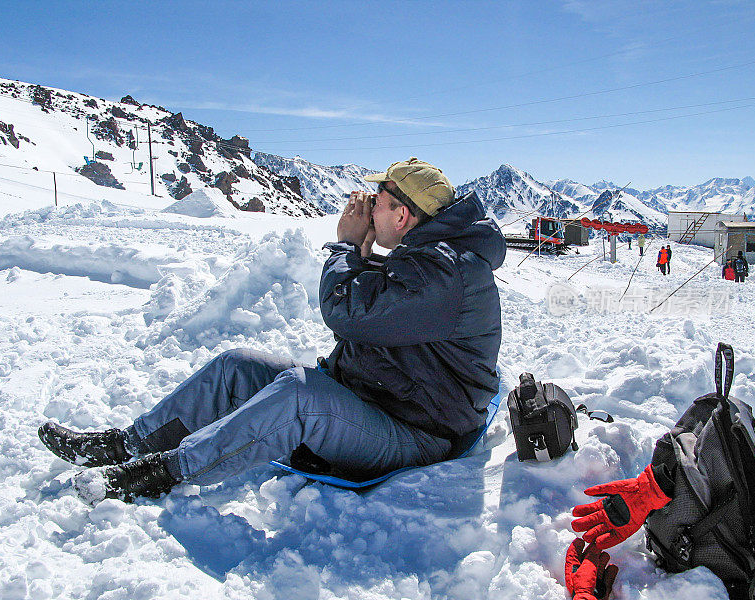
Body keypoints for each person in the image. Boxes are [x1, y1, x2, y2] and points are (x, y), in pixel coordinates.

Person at [38, 157, 506, 503]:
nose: (369, 211)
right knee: (236, 367)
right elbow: (380, 301)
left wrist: (345, 245)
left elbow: (348, 310)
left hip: (415, 432)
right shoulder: (432, 258)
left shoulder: (447, 273)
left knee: (298, 394)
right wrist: (361, 250)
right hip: (377, 400)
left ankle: (160, 472)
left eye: (378, 205)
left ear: (402, 216)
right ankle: (128, 443)